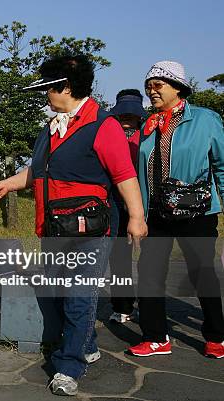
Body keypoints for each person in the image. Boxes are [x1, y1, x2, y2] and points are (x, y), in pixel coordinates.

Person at [0, 55, 147, 396]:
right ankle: (86, 344)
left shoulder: (104, 125)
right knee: (63, 294)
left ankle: (69, 366)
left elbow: (124, 175)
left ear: (66, 88)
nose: (45, 94)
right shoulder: (52, 127)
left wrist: (136, 216)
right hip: (54, 229)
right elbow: (37, 170)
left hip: (89, 231)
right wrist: (9, 183)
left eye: (48, 88)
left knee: (78, 297)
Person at [127, 61, 224, 359]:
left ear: (177, 87)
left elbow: (222, 165)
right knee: (150, 273)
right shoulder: (148, 124)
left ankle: (216, 336)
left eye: (158, 85)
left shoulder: (206, 120)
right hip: (156, 213)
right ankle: (156, 337)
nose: (151, 91)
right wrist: (138, 213)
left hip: (196, 211)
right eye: (148, 86)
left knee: (202, 273)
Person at [108, 89, 147, 323]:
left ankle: (146, 305)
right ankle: (122, 306)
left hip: (146, 205)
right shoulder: (109, 134)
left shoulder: (150, 134)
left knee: (149, 260)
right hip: (114, 204)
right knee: (119, 259)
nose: (127, 120)